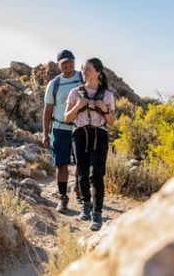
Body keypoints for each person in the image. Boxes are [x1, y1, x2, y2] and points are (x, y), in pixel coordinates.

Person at [64, 57, 116, 230]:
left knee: (96, 174)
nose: (84, 72)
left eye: (87, 69)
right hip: (80, 134)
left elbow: (112, 121)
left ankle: (97, 213)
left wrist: (105, 109)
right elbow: (67, 117)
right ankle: (86, 203)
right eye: (83, 69)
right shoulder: (75, 93)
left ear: (98, 73)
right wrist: (78, 106)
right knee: (83, 173)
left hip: (99, 135)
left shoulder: (107, 96)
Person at [43, 49, 83, 213]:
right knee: (61, 164)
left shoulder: (83, 78)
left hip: (81, 128)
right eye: (65, 62)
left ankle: (79, 189)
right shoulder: (54, 84)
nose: (69, 65)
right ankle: (63, 197)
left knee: (82, 162)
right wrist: (45, 133)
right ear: (59, 65)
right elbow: (48, 110)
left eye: (71, 61)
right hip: (60, 129)